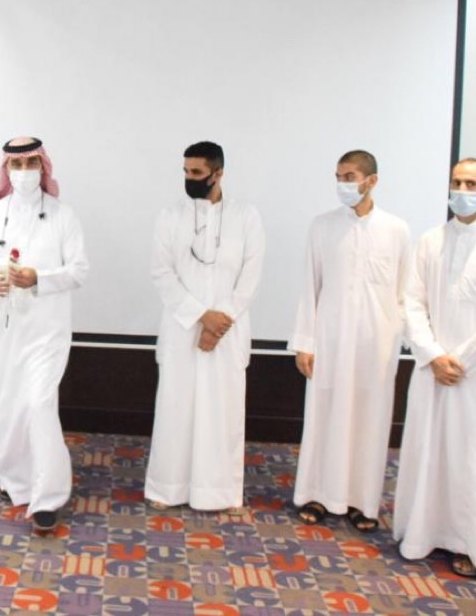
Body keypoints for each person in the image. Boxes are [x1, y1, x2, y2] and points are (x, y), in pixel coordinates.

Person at [393, 158, 476, 578]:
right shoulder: (430, 241)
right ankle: (419, 535)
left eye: (471, 183)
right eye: (456, 182)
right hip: (431, 370)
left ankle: (467, 545)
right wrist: (434, 355)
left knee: (473, 460)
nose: (462, 190)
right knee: (427, 453)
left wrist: (461, 360)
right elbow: (411, 303)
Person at [0, 137, 88, 533]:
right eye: (15, 165)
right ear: (6, 169)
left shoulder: (64, 215)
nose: (23, 172)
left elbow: (79, 270)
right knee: (6, 408)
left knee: (38, 405)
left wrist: (39, 278)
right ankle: (16, 482)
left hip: (46, 333)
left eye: (31, 163)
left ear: (43, 166)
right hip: (2, 333)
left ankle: (48, 497)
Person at [289, 150, 411, 531]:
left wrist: (396, 339)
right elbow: (310, 286)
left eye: (350, 176)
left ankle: (362, 502)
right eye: (339, 176)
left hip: (377, 346)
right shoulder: (323, 226)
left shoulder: (397, 230)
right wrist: (305, 341)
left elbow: (404, 294)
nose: (343, 183)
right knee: (324, 416)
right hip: (330, 341)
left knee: (369, 421)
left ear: (371, 181)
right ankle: (316, 494)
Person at [145, 141, 265, 512]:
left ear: (218, 173)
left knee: (222, 412)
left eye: (196, 172)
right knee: (176, 407)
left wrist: (219, 321)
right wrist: (201, 316)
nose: (189, 178)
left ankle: (219, 493)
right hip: (182, 327)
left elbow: (251, 275)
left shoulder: (246, 216)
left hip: (227, 332)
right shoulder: (170, 216)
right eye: (185, 171)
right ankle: (168, 488)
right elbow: (162, 273)